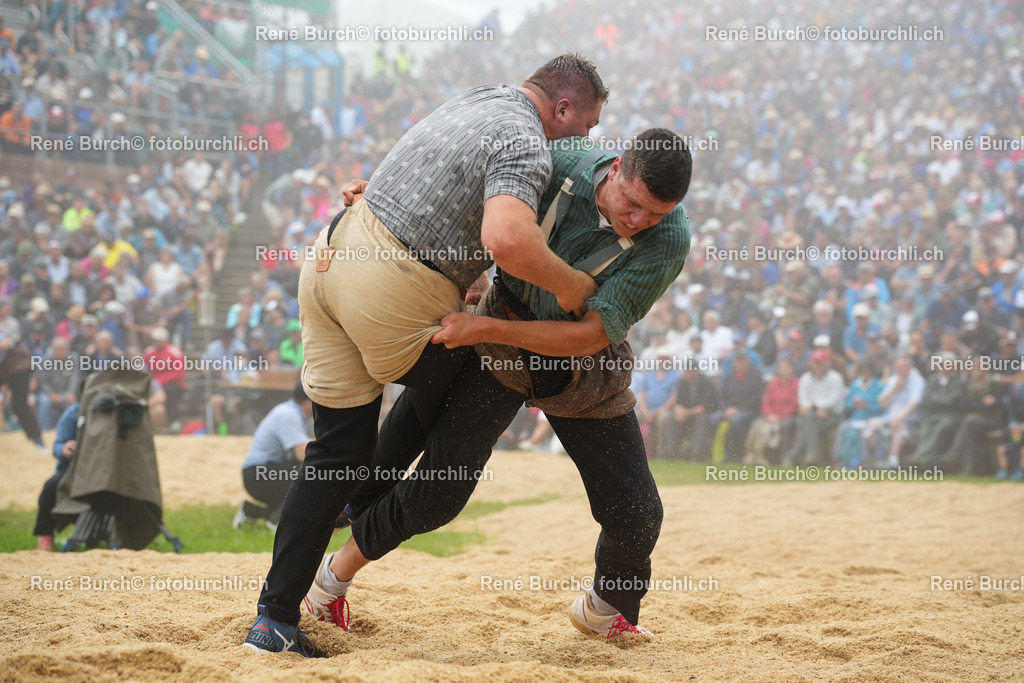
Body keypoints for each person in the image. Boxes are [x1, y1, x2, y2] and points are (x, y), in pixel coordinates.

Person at [244, 54, 608, 656]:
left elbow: (423, 178)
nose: (588, 140)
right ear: (562, 107)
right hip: (388, 286)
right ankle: (365, 502)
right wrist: (573, 287)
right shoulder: (526, 139)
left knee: (336, 453)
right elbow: (507, 239)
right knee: (485, 357)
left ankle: (274, 619)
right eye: (588, 125)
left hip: (334, 252)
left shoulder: (476, 97)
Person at [300, 129, 691, 646]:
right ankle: (329, 582)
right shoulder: (556, 160)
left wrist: (483, 329)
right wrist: (383, 203)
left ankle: (607, 609)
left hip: (580, 367)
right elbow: (460, 198)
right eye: (634, 203)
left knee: (638, 514)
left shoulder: (668, 239)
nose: (639, 221)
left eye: (656, 214)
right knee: (439, 490)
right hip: (500, 340)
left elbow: (591, 333)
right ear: (616, 168)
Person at [233, 383, 313, 530]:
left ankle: (251, 510)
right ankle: (277, 521)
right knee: (310, 474)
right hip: (258, 474)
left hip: (261, 472)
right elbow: (303, 454)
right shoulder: (288, 414)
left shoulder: (300, 415)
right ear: (308, 401)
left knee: (308, 473)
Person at [783, 349, 845, 466]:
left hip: (832, 416)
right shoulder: (805, 378)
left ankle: (793, 455)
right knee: (809, 419)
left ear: (827, 364)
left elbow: (833, 400)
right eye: (816, 363)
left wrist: (814, 407)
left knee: (807, 421)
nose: (818, 366)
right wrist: (816, 409)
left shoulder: (836, 378)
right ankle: (810, 454)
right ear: (811, 363)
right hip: (813, 414)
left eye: (820, 363)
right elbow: (803, 400)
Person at [34, 398, 80, 550]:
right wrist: (64, 448)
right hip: (70, 472)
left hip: (105, 474)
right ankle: (46, 536)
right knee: (51, 486)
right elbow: (57, 446)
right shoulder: (74, 413)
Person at [744, 356, 799, 465]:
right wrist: (770, 415)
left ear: (792, 369)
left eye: (786, 367)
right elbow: (766, 402)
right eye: (781, 368)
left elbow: (795, 404)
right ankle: (754, 455)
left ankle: (783, 458)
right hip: (771, 416)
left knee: (785, 425)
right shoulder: (773, 384)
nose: (783, 370)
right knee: (756, 424)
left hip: (788, 416)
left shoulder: (796, 383)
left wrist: (780, 416)